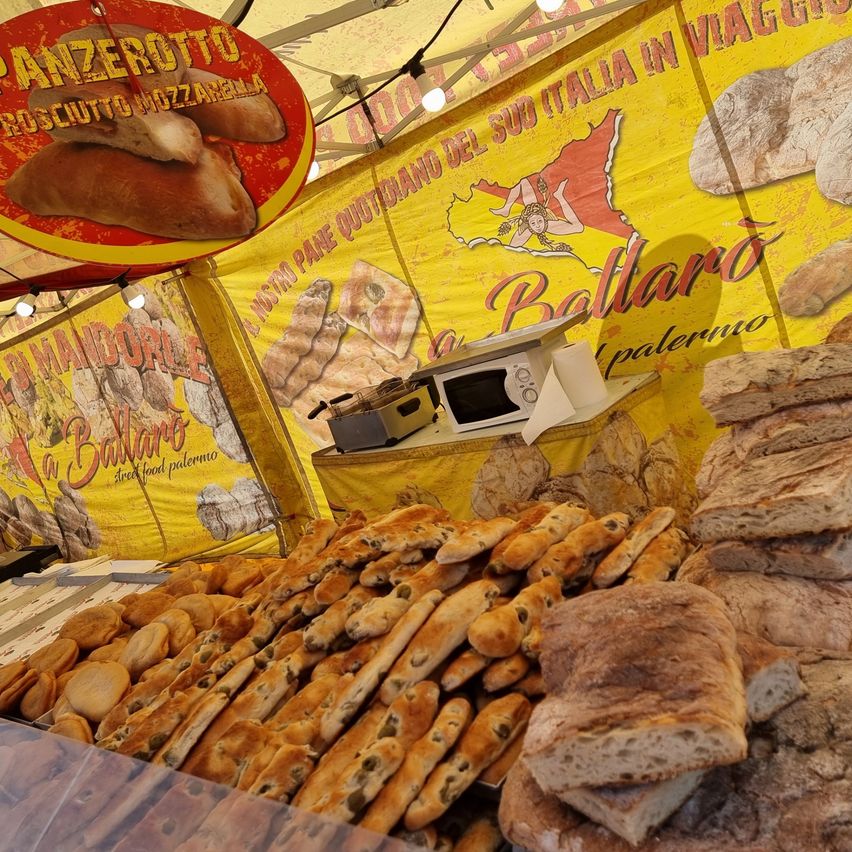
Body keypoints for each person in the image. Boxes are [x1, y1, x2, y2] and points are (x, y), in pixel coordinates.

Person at [490, 176, 584, 251]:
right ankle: (506, 209)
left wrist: (560, 197)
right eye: (533, 223)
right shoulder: (526, 229)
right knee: (521, 179)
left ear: (544, 218)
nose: (538, 226)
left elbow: (578, 227)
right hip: (529, 221)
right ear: (528, 224)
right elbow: (510, 249)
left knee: (579, 227)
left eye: (539, 221)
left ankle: (559, 195)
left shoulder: (548, 224)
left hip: (544, 220)